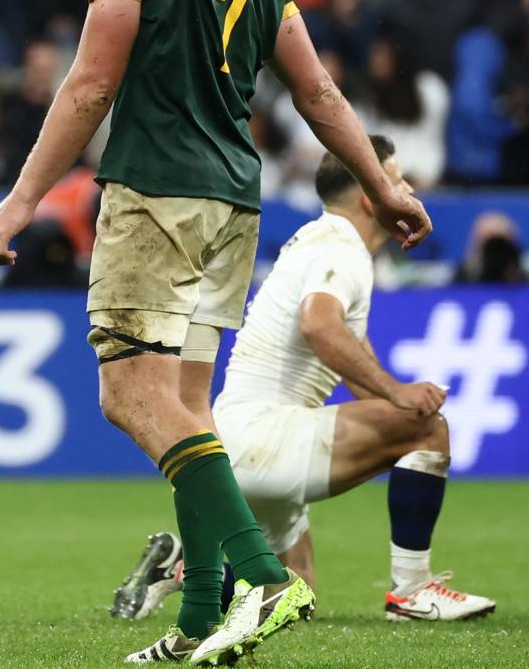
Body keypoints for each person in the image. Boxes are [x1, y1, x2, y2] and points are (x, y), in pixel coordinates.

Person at [0, 0, 431, 669]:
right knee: (189, 406)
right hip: (235, 198)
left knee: (128, 394)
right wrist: (382, 187)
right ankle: (198, 612)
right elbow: (316, 90)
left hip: (158, 192)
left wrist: (23, 195)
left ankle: (264, 574)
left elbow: (94, 80)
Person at [110, 138, 495, 631]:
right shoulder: (341, 248)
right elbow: (320, 325)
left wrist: (388, 397)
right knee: (427, 429)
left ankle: (178, 571)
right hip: (266, 436)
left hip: (237, 439)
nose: (406, 189)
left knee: (297, 591)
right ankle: (412, 589)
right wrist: (399, 397)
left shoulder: (323, 241)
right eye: (395, 180)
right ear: (367, 193)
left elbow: (347, 342)